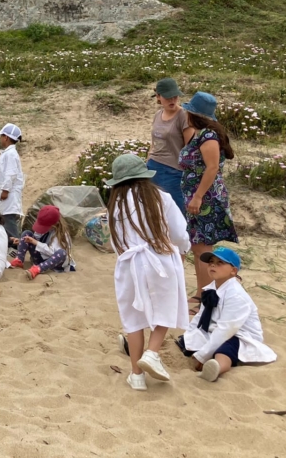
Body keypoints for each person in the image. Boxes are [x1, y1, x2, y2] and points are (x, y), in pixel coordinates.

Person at [106, 154, 191, 391]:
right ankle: (152, 353)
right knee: (165, 307)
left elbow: (116, 242)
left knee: (133, 319)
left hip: (129, 263)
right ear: (144, 176)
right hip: (159, 259)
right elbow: (179, 233)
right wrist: (182, 250)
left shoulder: (116, 204)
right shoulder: (160, 197)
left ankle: (137, 376)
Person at [177, 247, 277, 382]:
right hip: (216, 330)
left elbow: (226, 329)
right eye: (211, 262)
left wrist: (203, 356)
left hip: (238, 335)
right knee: (187, 342)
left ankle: (217, 367)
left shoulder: (236, 296)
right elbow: (200, 316)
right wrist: (189, 334)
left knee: (225, 349)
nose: (213, 265)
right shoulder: (211, 288)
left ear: (233, 271)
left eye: (220, 263)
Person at [179, 92, 239, 304]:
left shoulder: (208, 136)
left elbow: (212, 168)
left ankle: (205, 296)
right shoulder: (201, 133)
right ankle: (201, 292)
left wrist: (197, 197)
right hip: (197, 198)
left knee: (202, 249)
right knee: (197, 248)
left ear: (194, 114)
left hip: (205, 200)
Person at [148, 78, 193, 216]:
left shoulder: (183, 116)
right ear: (158, 97)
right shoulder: (157, 115)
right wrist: (148, 160)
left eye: (175, 96)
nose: (172, 100)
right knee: (156, 210)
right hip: (152, 168)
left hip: (173, 171)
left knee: (178, 213)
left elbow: (190, 147)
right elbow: (154, 142)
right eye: (168, 97)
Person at [10, 205, 74, 278]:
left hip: (53, 263)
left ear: (54, 225)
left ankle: (38, 269)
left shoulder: (62, 235)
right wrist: (22, 241)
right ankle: (19, 260)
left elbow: (52, 252)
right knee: (27, 233)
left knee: (62, 252)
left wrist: (35, 242)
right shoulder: (45, 229)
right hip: (40, 258)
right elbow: (36, 237)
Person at [0, 123, 24, 242]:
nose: (0, 139)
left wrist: (5, 191)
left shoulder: (11, 155)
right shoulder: (7, 154)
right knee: (5, 220)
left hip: (8, 196)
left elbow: (10, 174)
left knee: (9, 222)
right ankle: (11, 245)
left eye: (1, 136)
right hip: (4, 195)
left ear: (6, 138)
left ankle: (18, 247)